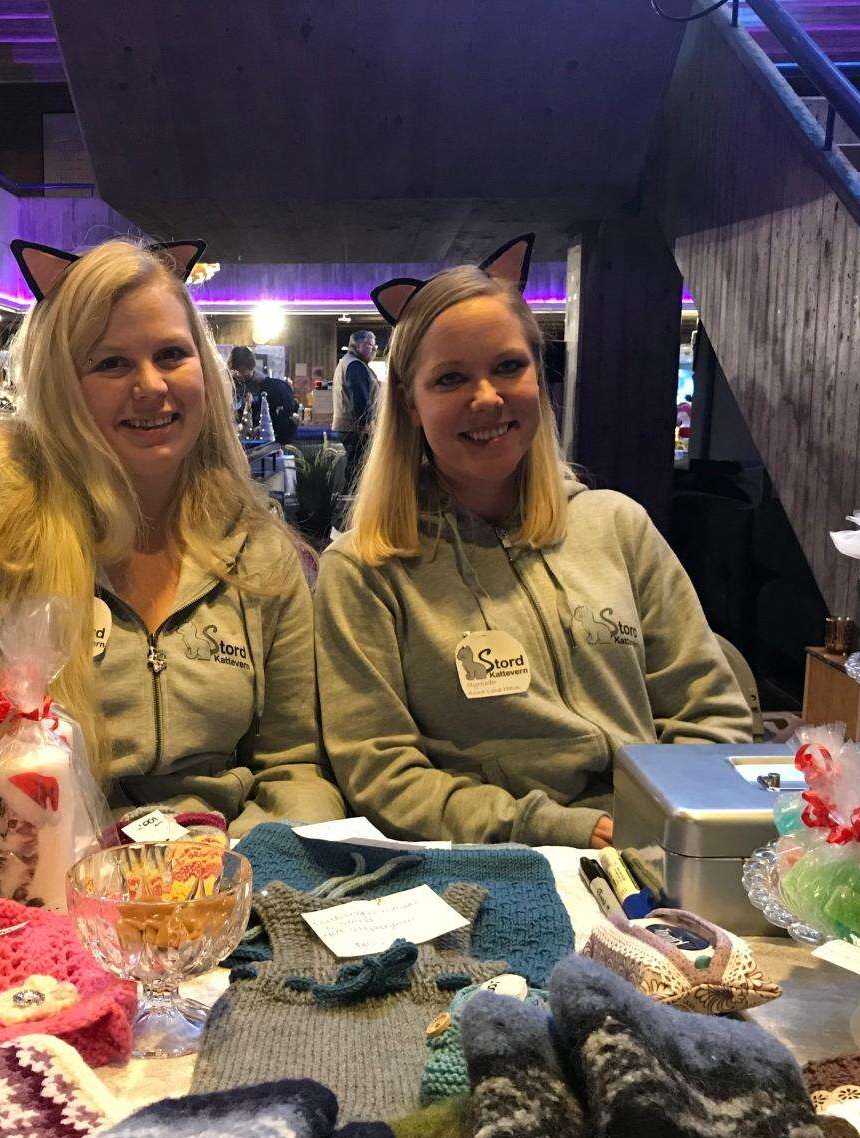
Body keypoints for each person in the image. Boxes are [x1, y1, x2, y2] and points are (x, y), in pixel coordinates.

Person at [0, 238, 343, 834]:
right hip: (40, 865)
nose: (151, 385)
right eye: (111, 364)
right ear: (58, 384)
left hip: (227, 868)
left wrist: (242, 864)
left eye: (171, 354)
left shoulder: (257, 550)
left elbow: (294, 768)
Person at [314, 236, 751, 847]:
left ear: (539, 380)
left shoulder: (618, 526)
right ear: (410, 406)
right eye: (450, 378)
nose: (487, 397)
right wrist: (556, 826)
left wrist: (669, 824)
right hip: (490, 861)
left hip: (654, 846)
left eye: (508, 367)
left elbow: (710, 712)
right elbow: (382, 775)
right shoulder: (364, 570)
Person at [332, 330, 378, 485]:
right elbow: (360, 400)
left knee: (355, 469)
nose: (374, 349)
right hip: (357, 428)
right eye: (370, 345)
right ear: (358, 346)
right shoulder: (355, 366)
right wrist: (367, 423)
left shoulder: (347, 362)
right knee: (358, 472)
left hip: (349, 427)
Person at [228, 345, 299, 444]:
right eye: (235, 372)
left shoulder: (271, 388)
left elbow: (277, 424)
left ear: (251, 367)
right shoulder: (231, 386)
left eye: (243, 371)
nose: (239, 375)